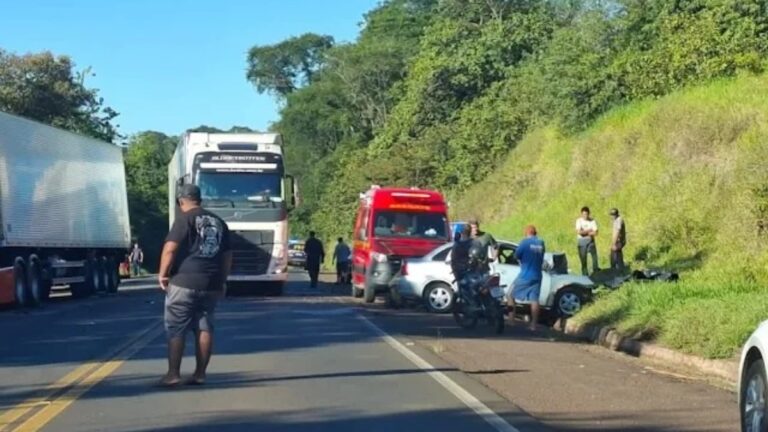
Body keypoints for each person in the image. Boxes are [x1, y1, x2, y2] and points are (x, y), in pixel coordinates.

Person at [157, 184, 232, 387]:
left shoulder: (184, 219)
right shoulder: (219, 222)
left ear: (181, 201)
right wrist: (222, 281)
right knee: (204, 327)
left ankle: (173, 374)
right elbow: (227, 257)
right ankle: (200, 374)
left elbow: (170, 249)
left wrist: (163, 275)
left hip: (184, 281)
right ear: (200, 199)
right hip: (211, 283)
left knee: (176, 328)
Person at [509, 225, 545, 331]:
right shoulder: (541, 243)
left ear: (526, 233)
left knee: (510, 295)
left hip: (525, 275)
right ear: (535, 233)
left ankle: (511, 320)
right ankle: (533, 325)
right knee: (534, 299)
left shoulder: (525, 242)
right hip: (537, 275)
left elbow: (516, 256)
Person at [450, 225, 476, 310]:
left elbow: (453, 259)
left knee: (464, 290)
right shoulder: (474, 243)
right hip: (473, 270)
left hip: (462, 271)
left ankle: (471, 306)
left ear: (461, 233)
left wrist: (455, 271)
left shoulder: (457, 245)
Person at [575, 206, 599, 276]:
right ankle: (585, 274)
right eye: (583, 214)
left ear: (589, 214)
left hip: (591, 241)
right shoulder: (579, 221)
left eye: (586, 214)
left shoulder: (592, 221)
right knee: (583, 259)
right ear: (581, 214)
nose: (585, 216)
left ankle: (596, 272)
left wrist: (585, 232)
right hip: (582, 242)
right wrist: (589, 230)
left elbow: (596, 232)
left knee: (594, 258)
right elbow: (579, 232)